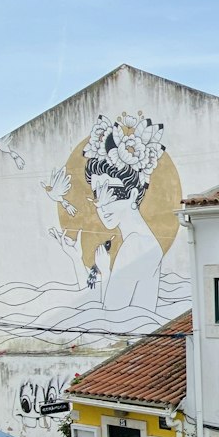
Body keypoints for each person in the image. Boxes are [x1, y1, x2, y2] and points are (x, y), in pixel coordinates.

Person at [49, 113, 166, 312]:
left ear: (133, 194)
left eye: (112, 193)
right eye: (96, 194)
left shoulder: (136, 245)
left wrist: (106, 273)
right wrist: (78, 260)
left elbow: (109, 314)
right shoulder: (144, 241)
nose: (102, 206)